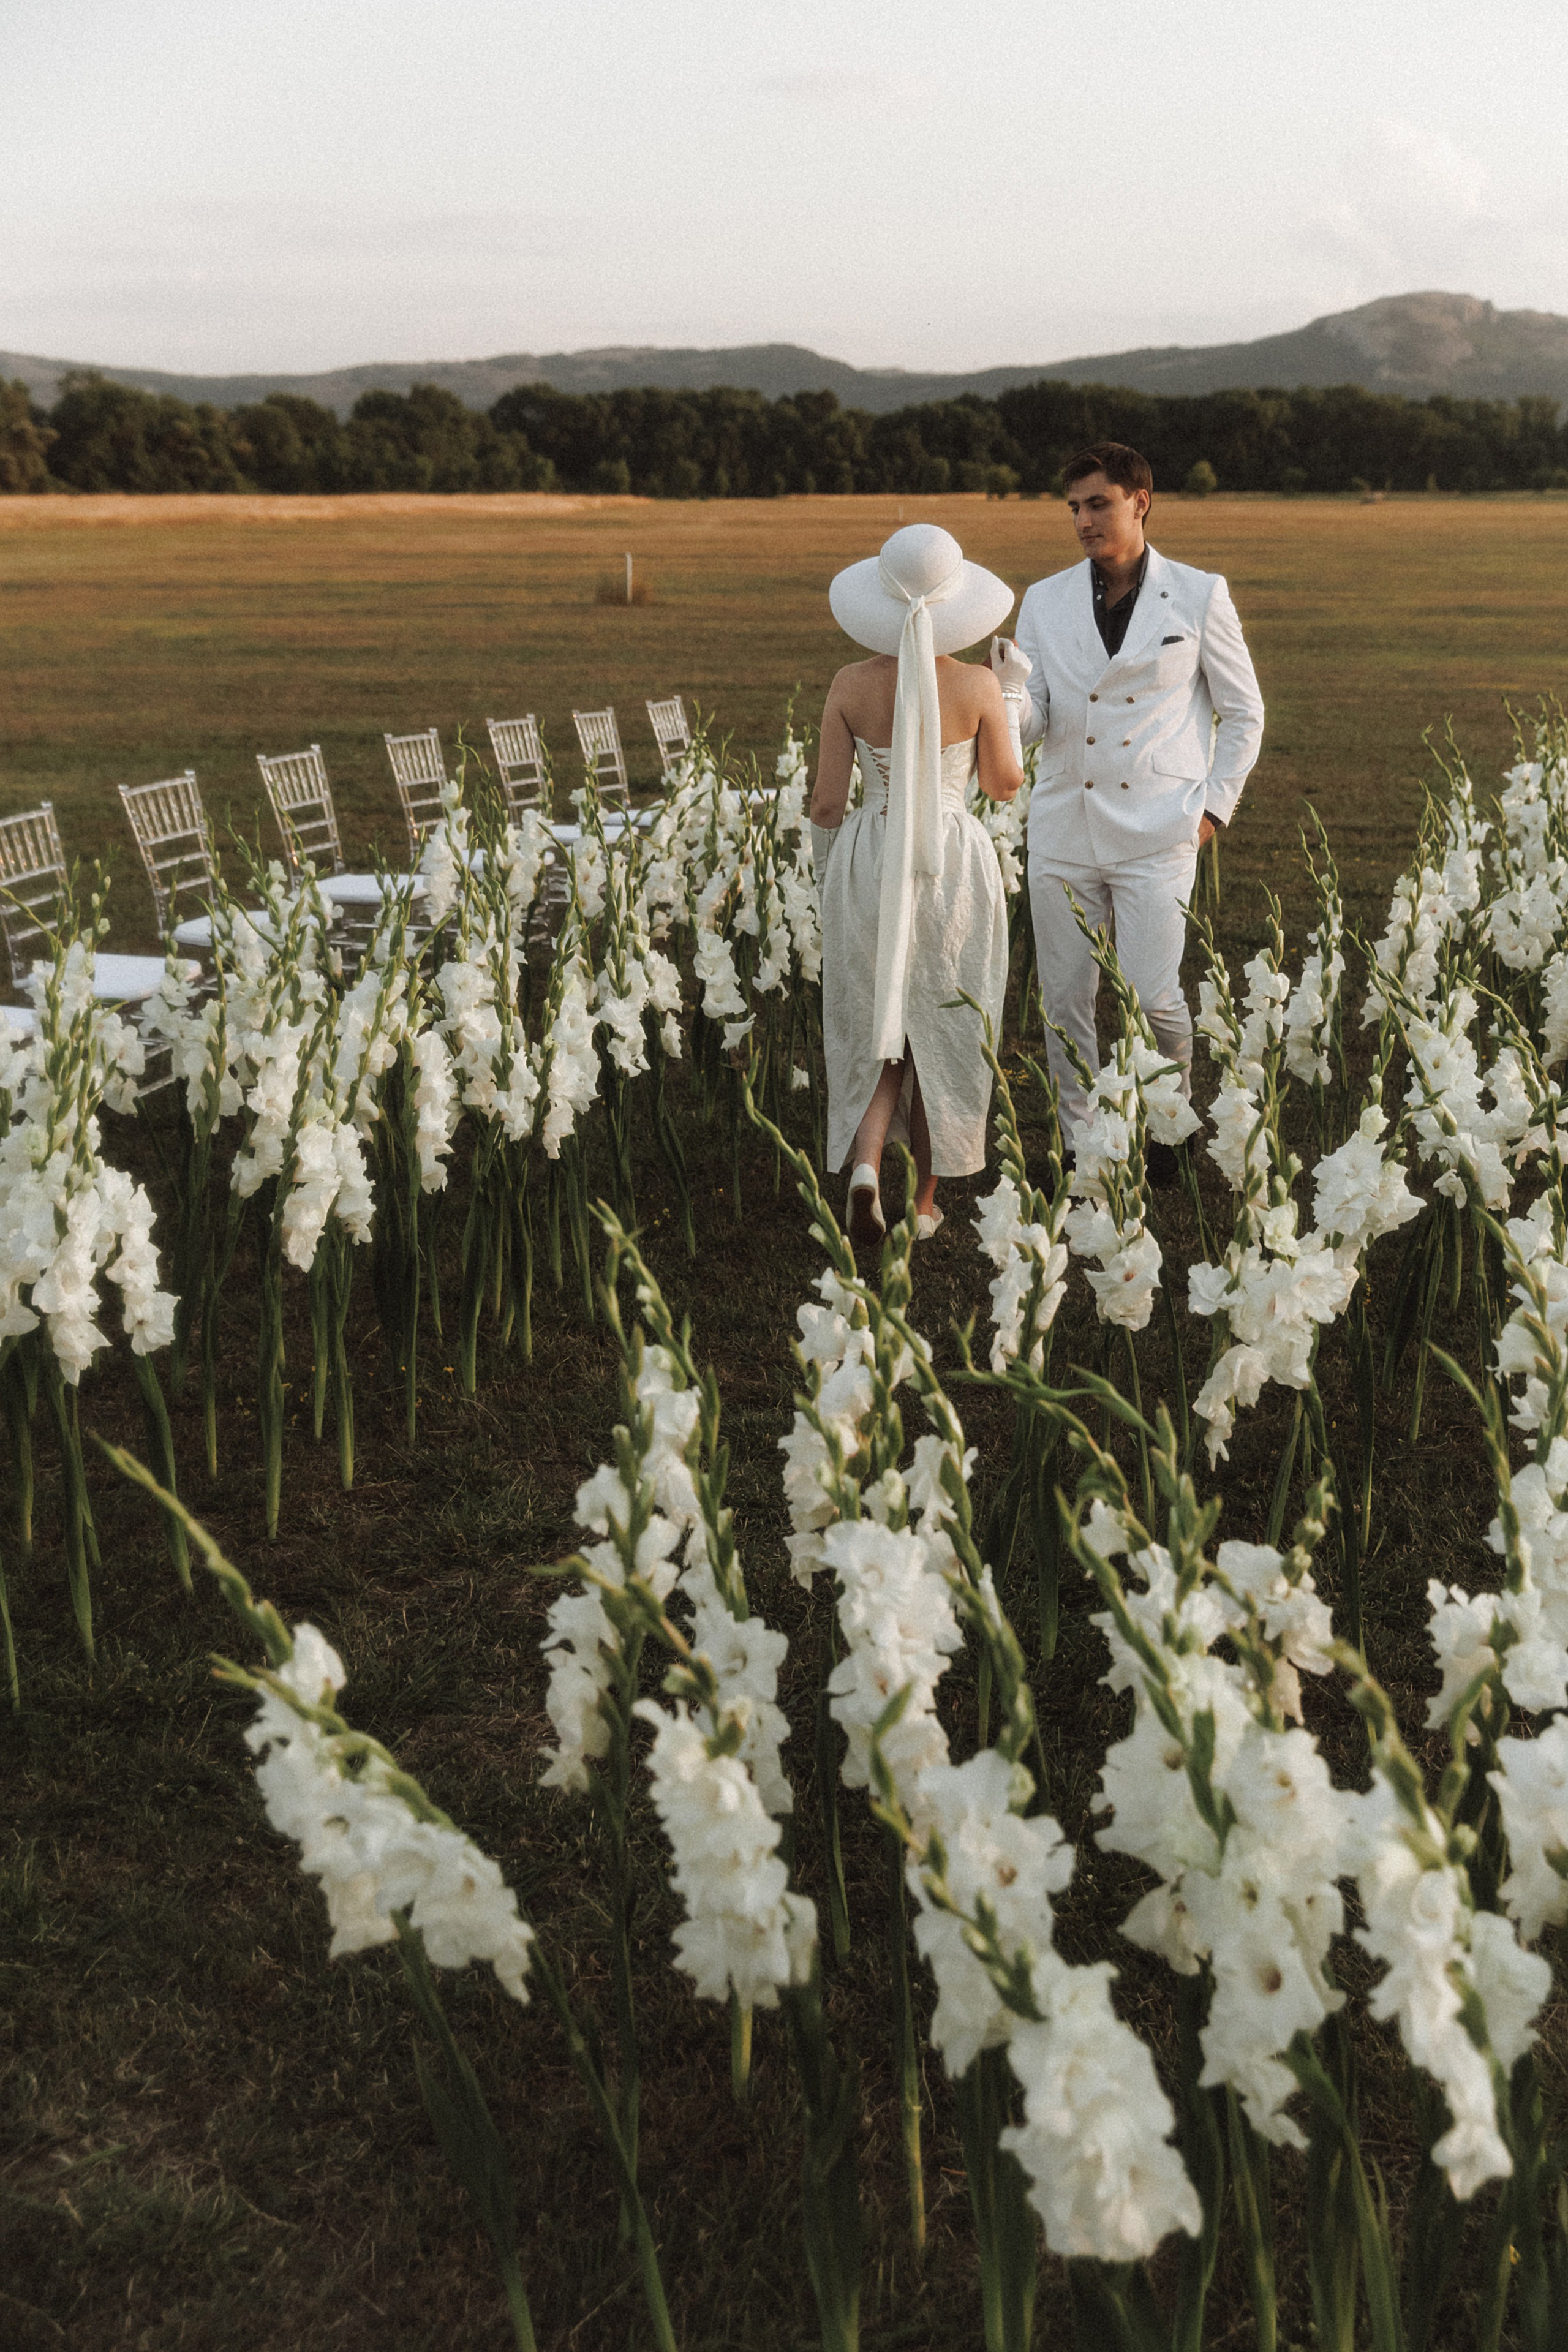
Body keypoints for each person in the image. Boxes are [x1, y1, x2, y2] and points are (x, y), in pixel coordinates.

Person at [991, 442, 1264, 1168]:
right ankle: (1084, 1143)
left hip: (1159, 828)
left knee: (1154, 996)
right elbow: (1034, 722)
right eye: (1074, 507)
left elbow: (1243, 714)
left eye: (1098, 503)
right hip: (1064, 827)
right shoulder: (1044, 599)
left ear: (1139, 501)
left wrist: (1213, 812)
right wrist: (1010, 691)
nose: (1083, 520)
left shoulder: (1201, 594)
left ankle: (1167, 1116)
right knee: (1064, 1002)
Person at [810, 523, 1024, 1246]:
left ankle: (866, 1167)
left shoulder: (847, 683)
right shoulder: (978, 684)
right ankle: (925, 1202)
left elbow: (826, 805)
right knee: (946, 1017)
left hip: (870, 855)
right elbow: (1001, 786)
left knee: (883, 1018)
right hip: (950, 862)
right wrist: (1013, 702)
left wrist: (828, 875)